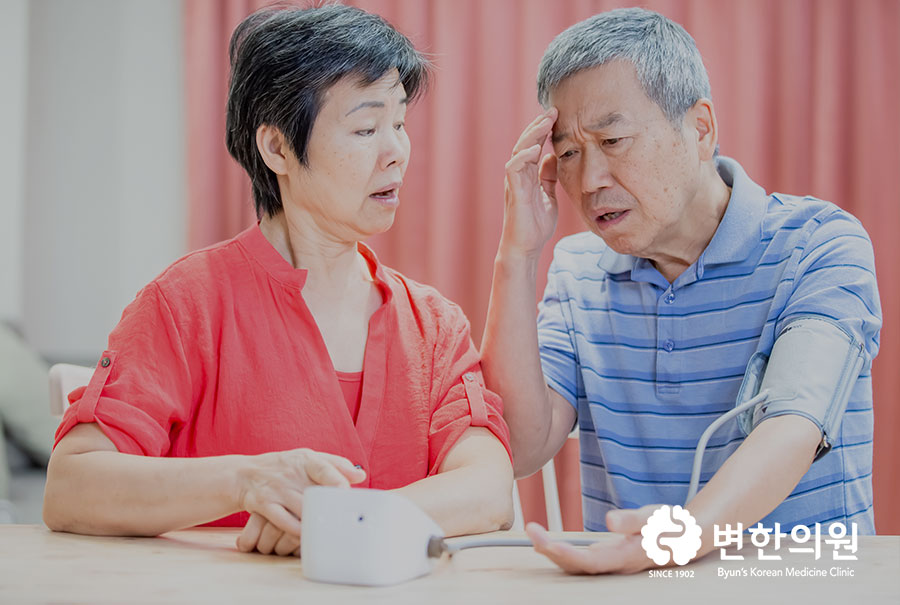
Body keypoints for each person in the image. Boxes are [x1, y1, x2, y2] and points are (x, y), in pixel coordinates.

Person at [44, 4, 513, 556]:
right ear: (277, 148)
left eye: (400, 124)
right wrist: (247, 482)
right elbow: (71, 486)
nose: (396, 153)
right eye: (366, 128)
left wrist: (349, 520)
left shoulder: (433, 324)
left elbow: (489, 488)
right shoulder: (187, 303)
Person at [482, 7, 880, 574]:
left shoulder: (819, 243)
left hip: (800, 582)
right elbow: (523, 447)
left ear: (700, 128)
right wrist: (516, 256)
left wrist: (677, 537)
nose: (589, 180)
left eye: (613, 140)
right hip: (635, 585)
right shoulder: (577, 270)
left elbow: (794, 423)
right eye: (568, 153)